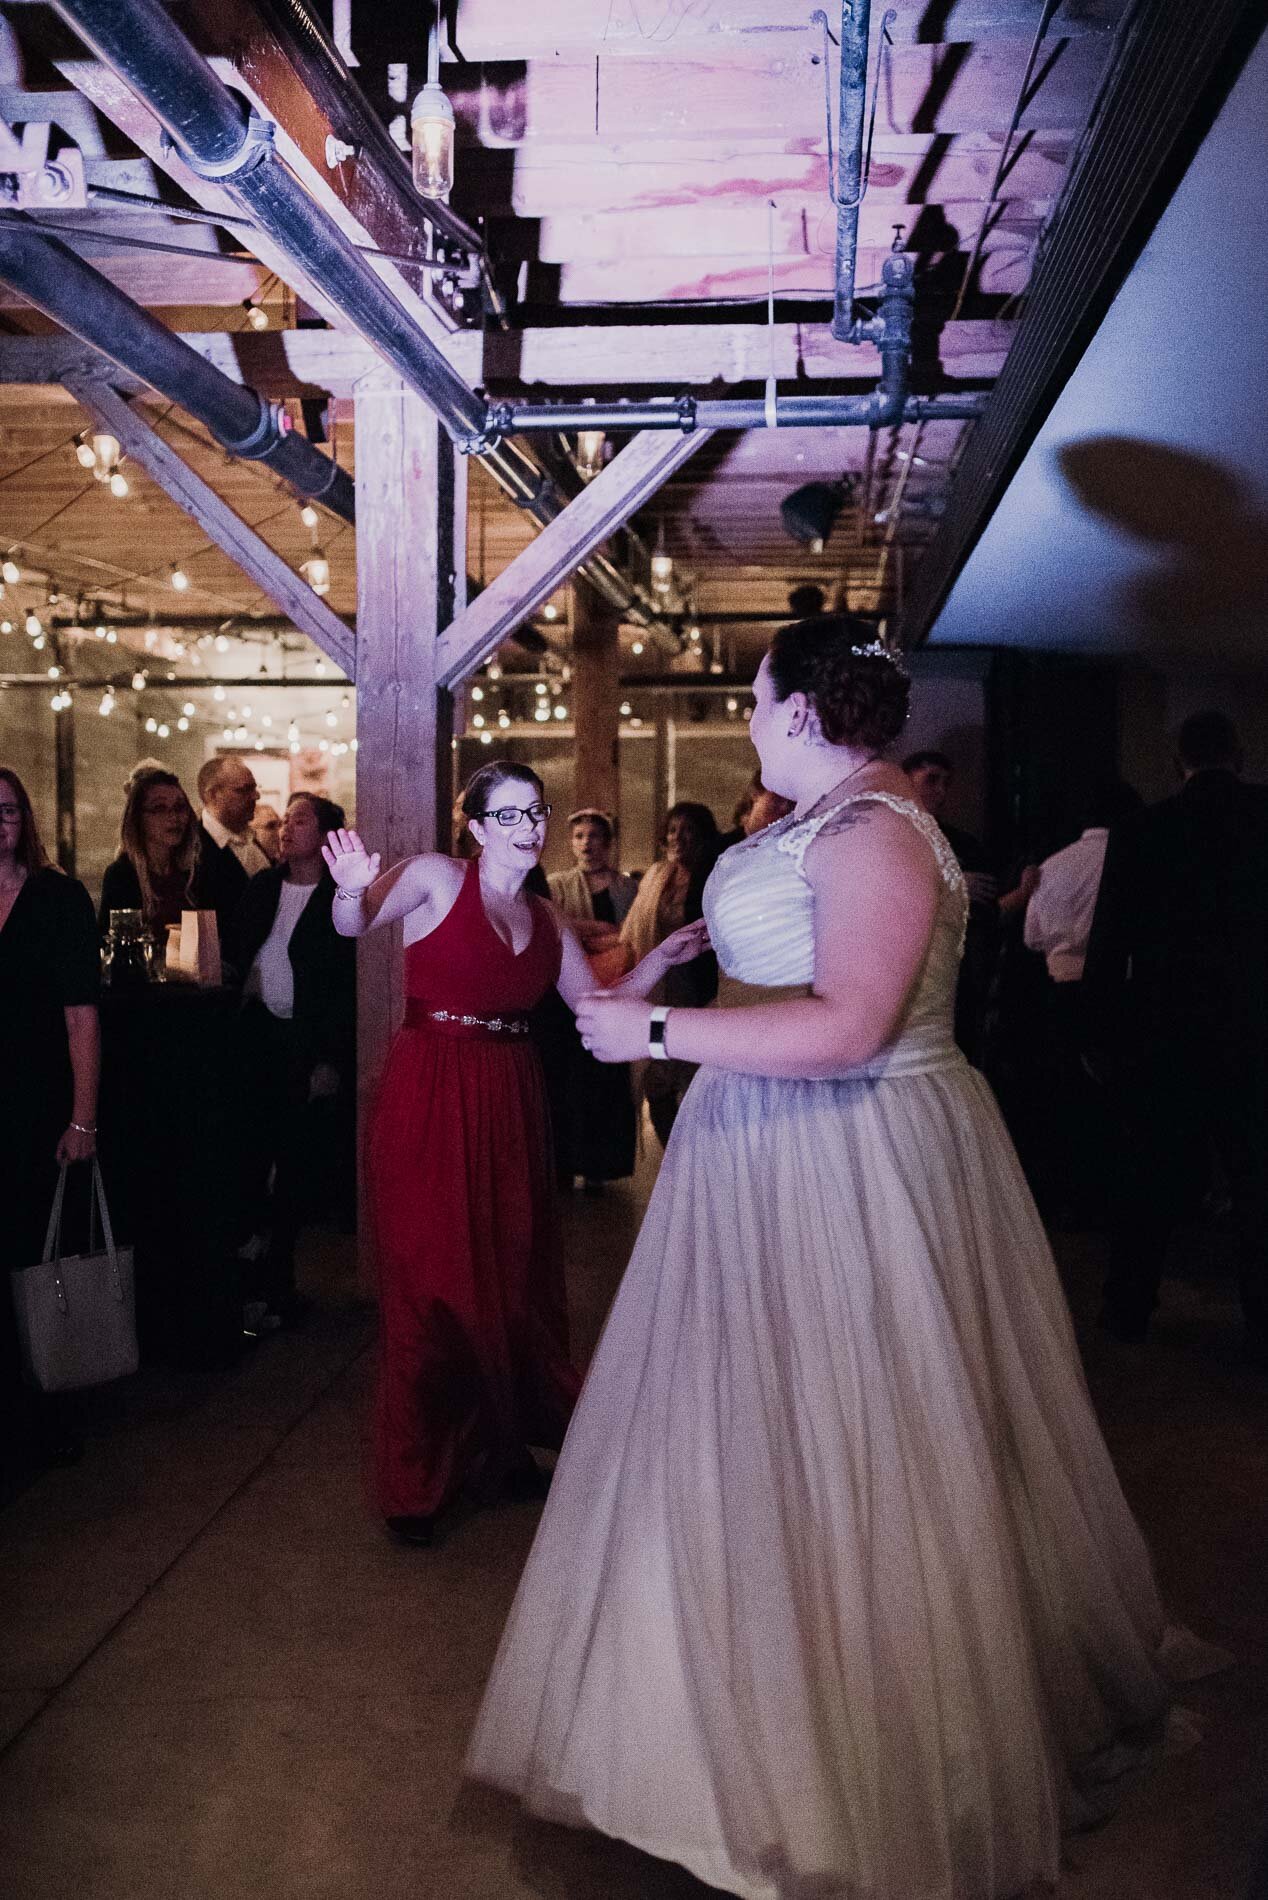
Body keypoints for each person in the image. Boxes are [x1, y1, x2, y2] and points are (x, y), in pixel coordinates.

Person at [468, 619, 1200, 1900]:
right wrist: (690, 961)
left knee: (852, 1438)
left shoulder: (874, 831)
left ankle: (835, 1765)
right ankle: (711, 1727)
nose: (747, 722)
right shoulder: (824, 819)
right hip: (765, 1148)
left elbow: (856, 1023)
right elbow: (793, 968)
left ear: (801, 711)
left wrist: (653, 1024)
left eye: (754, 702)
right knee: (741, 1437)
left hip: (845, 1155)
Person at [324, 762, 706, 1548]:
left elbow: (593, 1007)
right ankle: (415, 1478)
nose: (529, 828)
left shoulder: (545, 915)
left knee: (507, 1281)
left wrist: (661, 962)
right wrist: (349, 887)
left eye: (535, 813)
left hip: (510, 1099)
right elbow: (351, 926)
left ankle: (496, 1450)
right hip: (431, 1093)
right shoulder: (434, 877)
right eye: (510, 816)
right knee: (435, 1288)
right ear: (473, 826)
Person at [1083, 711, 1268, 1351]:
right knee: (1256, 1179)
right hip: (1254, 1027)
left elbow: (1109, 945)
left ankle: (1128, 1308)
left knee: (1151, 1177)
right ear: (1238, 755)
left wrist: (1099, 1035)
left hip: (1168, 1027)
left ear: (1178, 759)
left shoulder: (1143, 830)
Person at [0, 769, 100, 1482]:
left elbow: (81, 1017)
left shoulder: (57, 897)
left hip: (36, 1107)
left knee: (37, 1266)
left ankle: (49, 1417)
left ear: (23, 820)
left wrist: (83, 1118)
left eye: (6, 810)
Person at [230, 792, 355, 1325]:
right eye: (284, 820)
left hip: (306, 1044)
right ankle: (245, 1279)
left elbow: (346, 987)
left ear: (326, 834)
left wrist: (331, 1060)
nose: (285, 828)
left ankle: (279, 1279)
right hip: (256, 1037)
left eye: (300, 820)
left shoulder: (339, 896)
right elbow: (239, 952)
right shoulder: (262, 887)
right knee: (248, 1157)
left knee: (296, 1163)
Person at [619, 800, 721, 1145]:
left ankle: (701, 1159)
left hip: (697, 989)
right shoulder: (656, 875)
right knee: (656, 1081)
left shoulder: (711, 876)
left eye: (688, 829)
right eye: (674, 829)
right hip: (659, 986)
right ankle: (673, 1157)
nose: (679, 837)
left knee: (695, 1078)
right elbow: (633, 930)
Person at [548, 809, 639, 1189]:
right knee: (568, 1080)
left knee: (606, 1078)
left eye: (595, 836)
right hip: (566, 997)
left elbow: (633, 934)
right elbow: (554, 926)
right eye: (579, 836)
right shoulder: (556, 886)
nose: (587, 843)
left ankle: (601, 1166)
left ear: (608, 842)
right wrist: (596, 930)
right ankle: (565, 1163)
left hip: (613, 989)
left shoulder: (626, 888)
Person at [905, 746, 997, 1060]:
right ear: (907, 779)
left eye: (946, 782)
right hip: (909, 963)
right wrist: (954, 885)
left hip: (963, 963)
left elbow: (988, 906)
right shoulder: (890, 834)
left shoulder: (962, 843)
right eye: (931, 780)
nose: (941, 791)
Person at [98, 766, 240, 938]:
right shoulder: (122, 875)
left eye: (180, 807)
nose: (174, 817)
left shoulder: (196, 872)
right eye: (159, 808)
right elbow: (112, 943)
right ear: (138, 818)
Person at [197, 756, 270, 894]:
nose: (256, 796)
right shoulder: (192, 848)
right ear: (212, 795)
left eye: (254, 788)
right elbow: (192, 912)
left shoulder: (249, 838)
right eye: (244, 790)